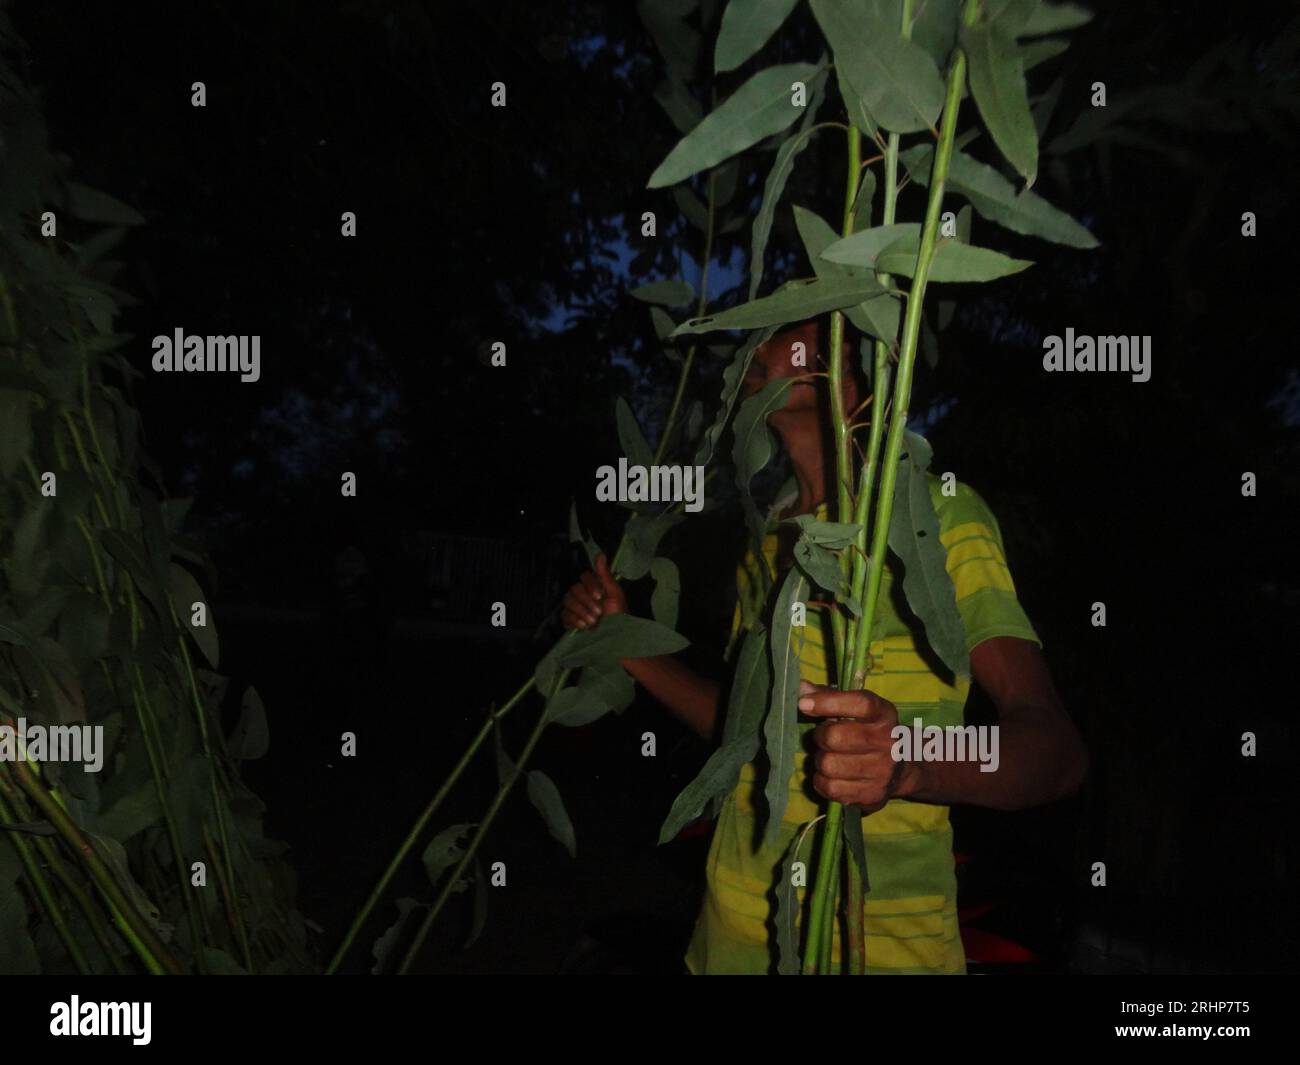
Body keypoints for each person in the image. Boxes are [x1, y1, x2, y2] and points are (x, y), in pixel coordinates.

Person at [562, 317, 1089, 974]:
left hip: (884, 951)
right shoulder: (768, 541)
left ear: (857, 364)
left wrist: (907, 764)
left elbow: (1055, 751)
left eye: (794, 324)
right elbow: (747, 731)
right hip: (725, 941)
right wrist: (626, 642)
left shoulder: (940, 518)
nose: (758, 340)